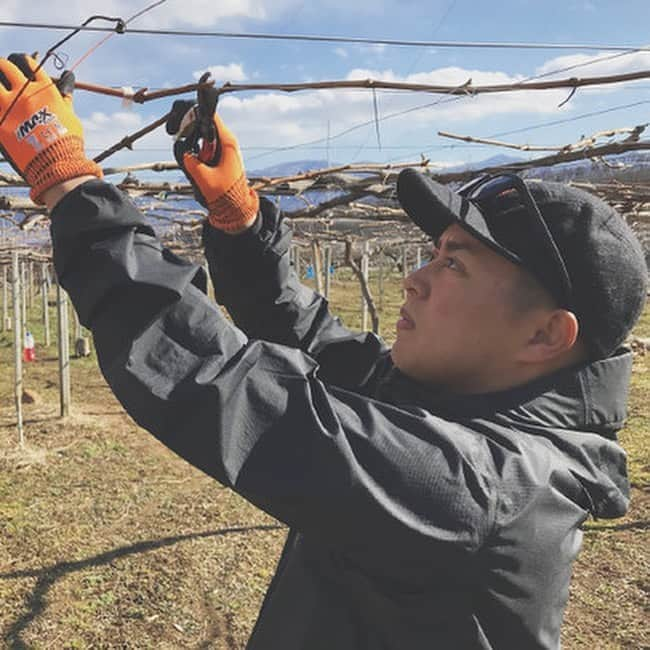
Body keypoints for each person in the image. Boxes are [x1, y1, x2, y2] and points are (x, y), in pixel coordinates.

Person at [0, 53, 647, 650]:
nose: (417, 277)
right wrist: (241, 220)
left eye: (456, 265)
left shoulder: (481, 491)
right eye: (431, 253)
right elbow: (313, 339)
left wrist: (70, 183)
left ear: (544, 336)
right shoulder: (452, 405)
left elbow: (229, 388)